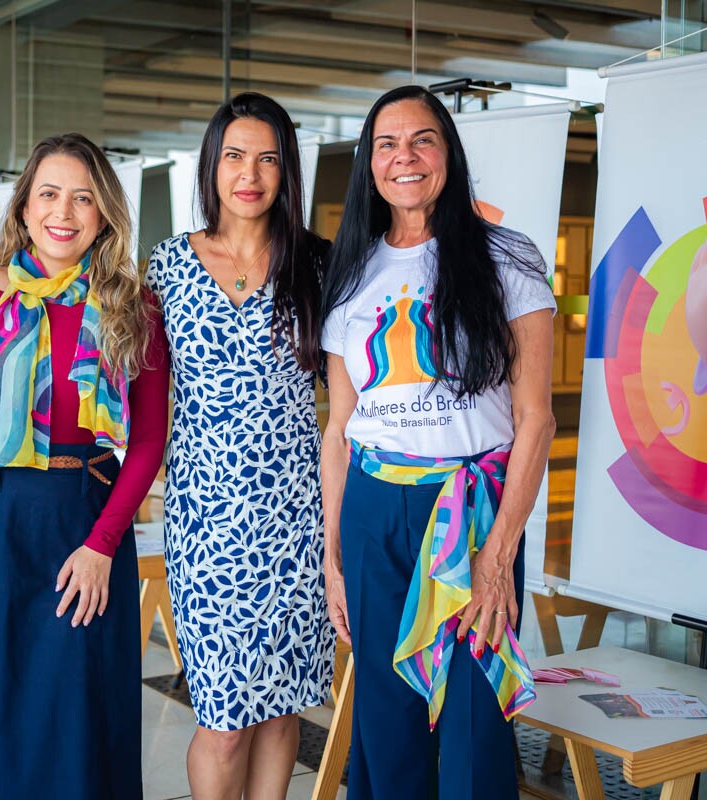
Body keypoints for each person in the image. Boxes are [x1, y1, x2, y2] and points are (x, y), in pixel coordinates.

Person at [320, 85, 556, 799]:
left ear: (447, 151)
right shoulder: (352, 270)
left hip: (474, 512)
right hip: (372, 510)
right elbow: (337, 429)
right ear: (369, 164)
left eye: (422, 139)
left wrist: (500, 551)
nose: (405, 157)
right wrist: (333, 557)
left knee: (476, 719)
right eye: (386, 144)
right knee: (386, 719)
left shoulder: (503, 256)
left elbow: (536, 419)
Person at [0, 133, 169, 800]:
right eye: (48, 194)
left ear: (103, 213)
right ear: (24, 206)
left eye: (83, 197)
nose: (63, 211)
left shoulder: (132, 303)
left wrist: (102, 546)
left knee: (73, 714)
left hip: (81, 521)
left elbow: (149, 441)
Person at [146, 92, 334, 800]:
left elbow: (346, 399)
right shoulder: (166, 267)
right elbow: (137, 394)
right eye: (233, 156)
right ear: (211, 165)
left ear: (287, 171)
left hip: (295, 518)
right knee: (224, 719)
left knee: (282, 706)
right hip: (207, 522)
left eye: (267, 158)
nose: (249, 173)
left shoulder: (317, 266)